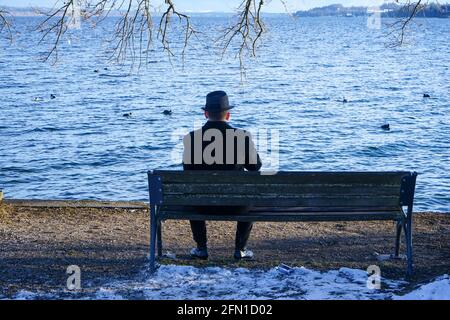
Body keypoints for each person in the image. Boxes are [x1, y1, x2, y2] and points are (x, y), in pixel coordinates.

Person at [183, 90, 262, 260]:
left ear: (205, 114)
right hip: (237, 204)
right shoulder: (242, 137)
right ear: (228, 115)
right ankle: (240, 249)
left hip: (202, 204)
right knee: (250, 196)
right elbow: (256, 167)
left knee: (192, 197)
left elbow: (187, 174)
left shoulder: (191, 138)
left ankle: (201, 248)